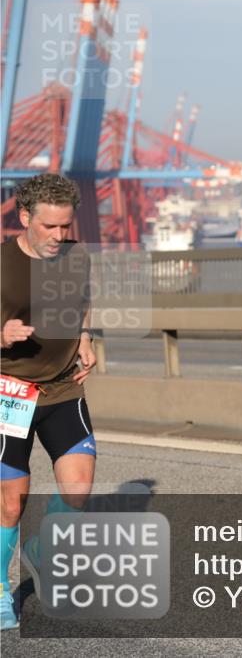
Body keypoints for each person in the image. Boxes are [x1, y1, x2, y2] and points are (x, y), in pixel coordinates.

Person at [1, 174, 97, 630]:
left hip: (62, 387)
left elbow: (82, 301)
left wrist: (85, 338)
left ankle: (40, 551)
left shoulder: (77, 255)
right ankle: (1, 589)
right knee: (11, 504)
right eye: (50, 228)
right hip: (9, 394)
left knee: (77, 490)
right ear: (25, 218)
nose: (60, 237)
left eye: (65, 226)